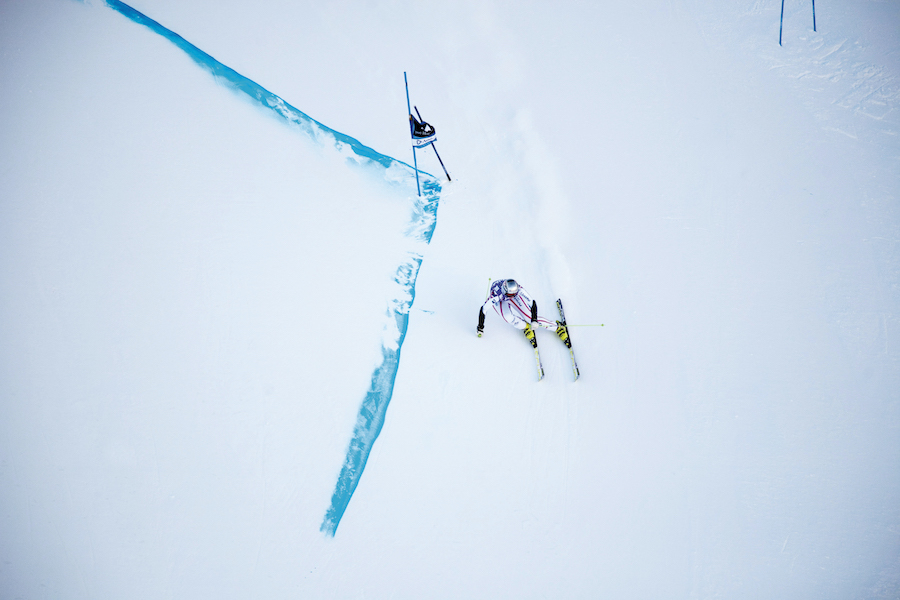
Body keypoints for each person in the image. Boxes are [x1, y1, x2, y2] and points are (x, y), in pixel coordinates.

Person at [477, 279, 570, 348]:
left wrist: (533, 320)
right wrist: (480, 327)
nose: (513, 296)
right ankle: (525, 327)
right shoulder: (495, 296)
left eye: (515, 293)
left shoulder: (518, 290)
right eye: (511, 295)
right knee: (507, 317)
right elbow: (483, 309)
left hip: (509, 293)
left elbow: (532, 302)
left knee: (529, 317)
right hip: (501, 300)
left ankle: (557, 326)